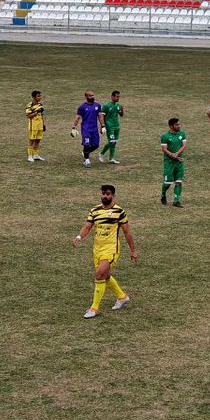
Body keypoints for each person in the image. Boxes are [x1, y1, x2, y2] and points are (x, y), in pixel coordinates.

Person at [71, 184, 137, 319]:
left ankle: (94, 308)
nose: (105, 196)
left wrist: (133, 250)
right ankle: (122, 297)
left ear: (113, 196)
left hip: (111, 249)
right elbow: (87, 227)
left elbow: (127, 232)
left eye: (108, 194)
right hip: (97, 248)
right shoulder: (94, 211)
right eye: (103, 194)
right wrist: (79, 237)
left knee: (100, 274)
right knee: (105, 275)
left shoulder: (119, 212)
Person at [71, 90, 103, 167]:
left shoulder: (97, 105)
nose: (92, 97)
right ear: (86, 97)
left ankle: (85, 152)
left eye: (92, 95)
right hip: (86, 129)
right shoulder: (82, 107)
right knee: (87, 144)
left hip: (94, 129)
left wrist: (103, 126)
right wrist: (73, 128)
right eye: (90, 96)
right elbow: (77, 118)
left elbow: (100, 116)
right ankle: (87, 160)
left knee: (96, 145)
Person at [160, 117, 187, 207]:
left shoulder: (182, 134)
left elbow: (184, 145)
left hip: (179, 162)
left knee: (179, 182)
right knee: (168, 183)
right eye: (177, 124)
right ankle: (163, 195)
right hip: (169, 163)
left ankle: (176, 200)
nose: (179, 126)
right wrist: (172, 155)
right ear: (171, 126)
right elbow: (164, 149)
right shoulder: (165, 136)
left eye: (179, 124)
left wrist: (177, 154)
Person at [97, 90, 123, 165]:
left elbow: (121, 115)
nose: (118, 98)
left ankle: (111, 159)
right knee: (112, 142)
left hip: (117, 126)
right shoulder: (106, 106)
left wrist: (122, 110)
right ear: (112, 97)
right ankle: (101, 154)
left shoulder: (118, 105)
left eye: (119, 96)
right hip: (110, 126)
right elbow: (101, 116)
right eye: (117, 96)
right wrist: (103, 126)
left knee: (114, 142)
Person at [25, 90, 46, 162]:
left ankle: (36, 155)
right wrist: (37, 112)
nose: (40, 97)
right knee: (31, 141)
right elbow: (28, 116)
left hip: (39, 125)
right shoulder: (30, 105)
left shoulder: (40, 105)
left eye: (40, 96)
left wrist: (43, 124)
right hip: (33, 126)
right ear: (34, 97)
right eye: (38, 96)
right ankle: (30, 156)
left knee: (38, 140)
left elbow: (42, 115)